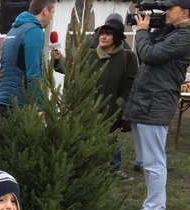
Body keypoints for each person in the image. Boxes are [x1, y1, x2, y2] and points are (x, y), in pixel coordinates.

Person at [123, 0, 190, 210]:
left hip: (156, 103)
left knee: (153, 161)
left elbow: (149, 55)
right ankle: (153, 206)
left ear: (185, 13)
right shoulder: (172, 31)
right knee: (144, 160)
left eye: (171, 8)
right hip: (147, 101)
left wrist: (142, 31)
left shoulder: (187, 36)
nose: (166, 12)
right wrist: (151, 27)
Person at [52, 13, 139, 181]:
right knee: (86, 137)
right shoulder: (90, 54)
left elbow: (133, 84)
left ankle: (113, 170)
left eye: (108, 34)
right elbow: (72, 70)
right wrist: (58, 60)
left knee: (110, 138)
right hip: (89, 107)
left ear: (117, 37)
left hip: (113, 107)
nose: (103, 37)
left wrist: (120, 103)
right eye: (102, 33)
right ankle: (87, 169)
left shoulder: (128, 57)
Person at [0, 0, 56, 116]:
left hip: (1, 99)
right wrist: (38, 107)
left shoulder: (14, 29)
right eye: (52, 12)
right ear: (45, 10)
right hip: (17, 104)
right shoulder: (34, 31)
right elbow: (33, 72)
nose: (52, 18)